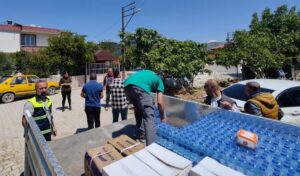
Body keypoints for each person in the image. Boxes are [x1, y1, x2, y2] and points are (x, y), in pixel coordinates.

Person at [124, 70, 166, 146]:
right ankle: (151, 147)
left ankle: (141, 134)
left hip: (127, 86)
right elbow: (160, 102)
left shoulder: (148, 74)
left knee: (138, 109)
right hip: (140, 87)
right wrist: (162, 116)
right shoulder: (160, 82)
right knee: (149, 118)